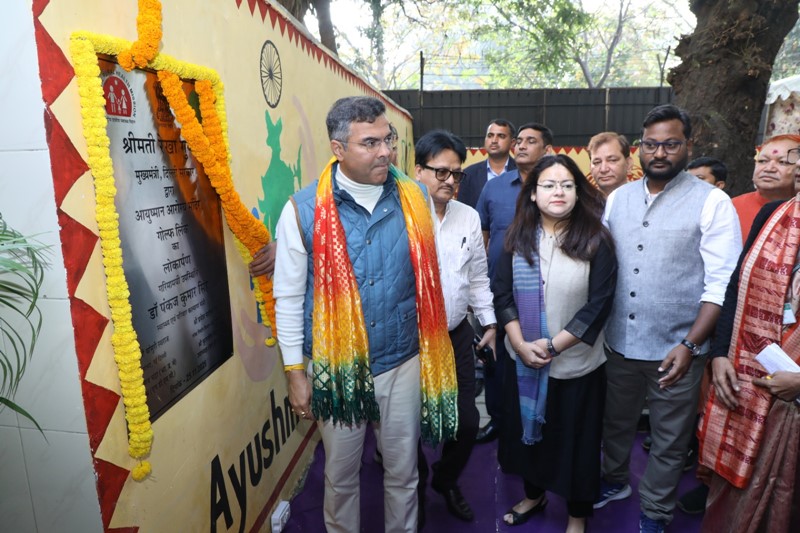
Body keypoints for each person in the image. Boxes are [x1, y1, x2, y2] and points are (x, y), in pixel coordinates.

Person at [273, 96, 458, 533]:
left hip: (402, 361)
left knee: (403, 473)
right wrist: (295, 373)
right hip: (336, 366)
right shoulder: (302, 210)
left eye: (387, 140)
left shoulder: (415, 198)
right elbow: (288, 296)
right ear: (338, 149)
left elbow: (427, 280)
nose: (385, 152)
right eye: (370, 143)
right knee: (340, 478)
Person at [596, 104, 741, 533]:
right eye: (651, 144)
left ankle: (656, 511)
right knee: (615, 424)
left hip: (678, 348)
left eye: (671, 144)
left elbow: (721, 283)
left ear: (688, 146)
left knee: (669, 437)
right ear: (640, 148)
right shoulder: (618, 199)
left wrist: (692, 344)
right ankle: (614, 481)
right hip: (618, 342)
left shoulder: (712, 202)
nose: (659, 153)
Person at [493, 154, 617, 532]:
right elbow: (503, 295)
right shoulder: (516, 239)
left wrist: (551, 347)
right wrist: (519, 344)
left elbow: (598, 305)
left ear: (578, 192)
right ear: (533, 193)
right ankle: (534, 495)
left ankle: (577, 516)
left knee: (578, 446)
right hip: (523, 362)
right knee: (530, 440)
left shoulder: (596, 239)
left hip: (576, 368)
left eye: (567, 185)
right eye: (548, 185)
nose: (558, 192)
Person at [698, 144, 800, 532]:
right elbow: (735, 287)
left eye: (789, 160)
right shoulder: (772, 216)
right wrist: (720, 354)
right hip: (748, 382)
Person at [413, 130, 497, 522]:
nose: (450, 180)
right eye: (441, 172)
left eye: (457, 174)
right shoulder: (401, 217)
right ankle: (413, 487)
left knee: (467, 423)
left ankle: (445, 480)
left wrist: (489, 322)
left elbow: (477, 277)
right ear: (418, 171)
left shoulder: (469, 216)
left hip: (457, 334)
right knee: (408, 426)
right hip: (410, 341)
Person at [474, 122, 554, 445]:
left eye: (530, 141)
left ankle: (541, 420)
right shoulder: (493, 189)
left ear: (547, 150)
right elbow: (481, 237)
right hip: (498, 292)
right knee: (496, 360)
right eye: (518, 140)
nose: (520, 146)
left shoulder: (556, 189)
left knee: (542, 356)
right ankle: (498, 419)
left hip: (545, 294)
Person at [731, 134, 800, 241]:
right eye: (762, 161)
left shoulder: (796, 211)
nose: (769, 168)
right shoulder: (730, 208)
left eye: (782, 162)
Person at [458, 119, 517, 209]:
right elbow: (462, 209)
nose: (494, 140)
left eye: (501, 136)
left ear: (512, 143)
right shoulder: (469, 174)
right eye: (490, 136)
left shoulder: (522, 172)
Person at [587, 132, 633, 197]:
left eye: (612, 160)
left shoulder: (644, 199)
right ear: (590, 168)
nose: (603, 169)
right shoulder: (582, 202)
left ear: (628, 164)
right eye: (597, 162)